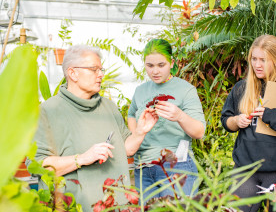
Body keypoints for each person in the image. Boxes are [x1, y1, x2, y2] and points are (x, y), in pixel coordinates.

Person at [30, 45, 158, 211]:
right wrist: (82, 158)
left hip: (118, 205)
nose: (101, 74)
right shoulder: (48, 111)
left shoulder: (109, 107)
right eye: (93, 69)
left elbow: (126, 149)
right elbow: (39, 166)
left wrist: (141, 132)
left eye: (101, 69)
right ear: (72, 73)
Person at [221, 34, 276, 212]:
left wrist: (272, 116)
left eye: (263, 60)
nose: (257, 64)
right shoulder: (241, 87)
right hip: (245, 168)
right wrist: (236, 121)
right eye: (254, 59)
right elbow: (226, 121)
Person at [127, 39, 206, 201]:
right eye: (150, 66)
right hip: (143, 168)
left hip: (176, 166)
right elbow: (131, 113)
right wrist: (137, 134)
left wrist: (180, 116)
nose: (155, 71)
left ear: (172, 62)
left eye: (161, 65)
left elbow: (199, 132)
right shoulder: (140, 91)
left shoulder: (185, 90)